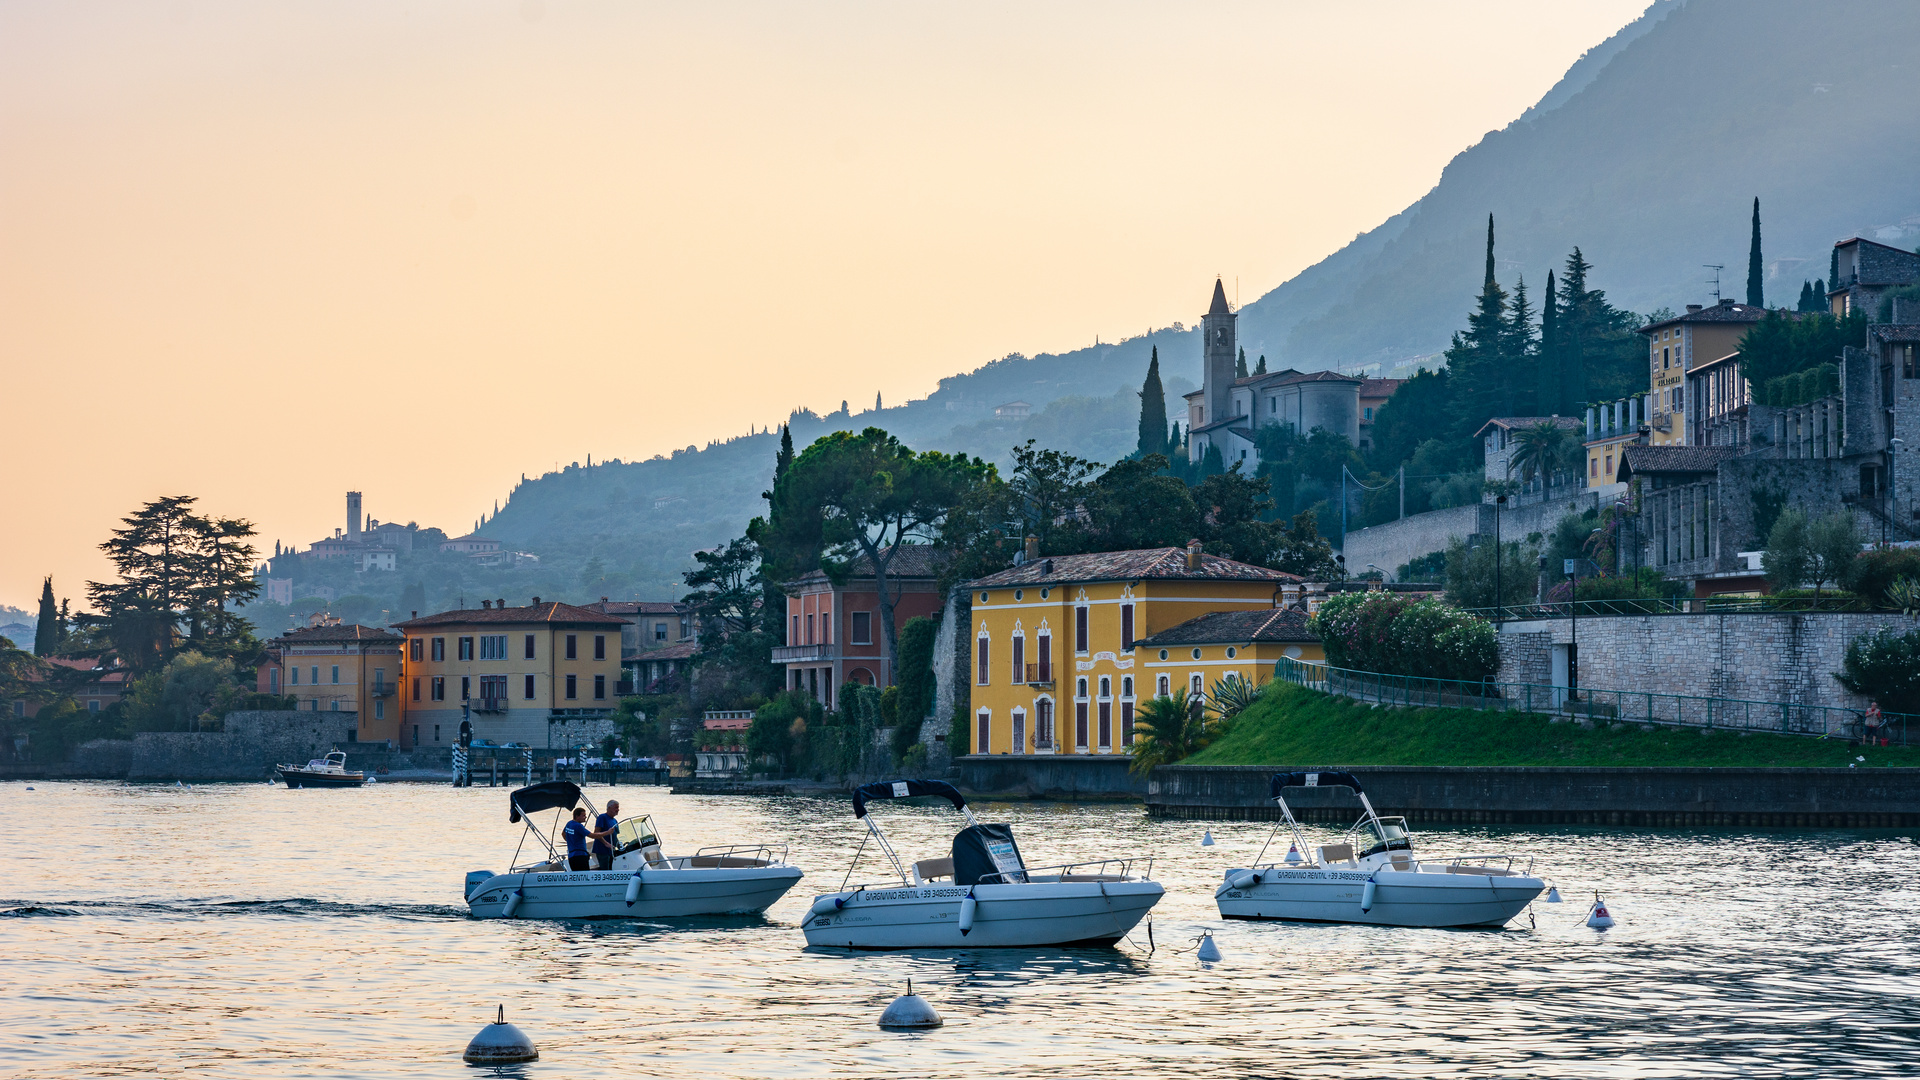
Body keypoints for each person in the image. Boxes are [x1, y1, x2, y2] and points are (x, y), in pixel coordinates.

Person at [590, 800, 621, 871]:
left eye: (618, 808)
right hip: (602, 850)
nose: (617, 810)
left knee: (610, 869)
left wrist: (619, 845)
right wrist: (606, 844)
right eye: (616, 808)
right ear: (609, 808)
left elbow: (616, 835)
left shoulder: (615, 820)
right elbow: (596, 832)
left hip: (611, 850)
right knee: (605, 870)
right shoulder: (602, 817)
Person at [562, 807, 592, 872]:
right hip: (580, 856)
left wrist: (570, 842)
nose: (585, 817)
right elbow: (591, 835)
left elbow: (563, 834)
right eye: (583, 815)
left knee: (576, 874)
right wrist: (606, 833)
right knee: (585, 874)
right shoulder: (578, 826)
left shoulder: (569, 823)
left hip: (571, 856)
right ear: (577, 816)